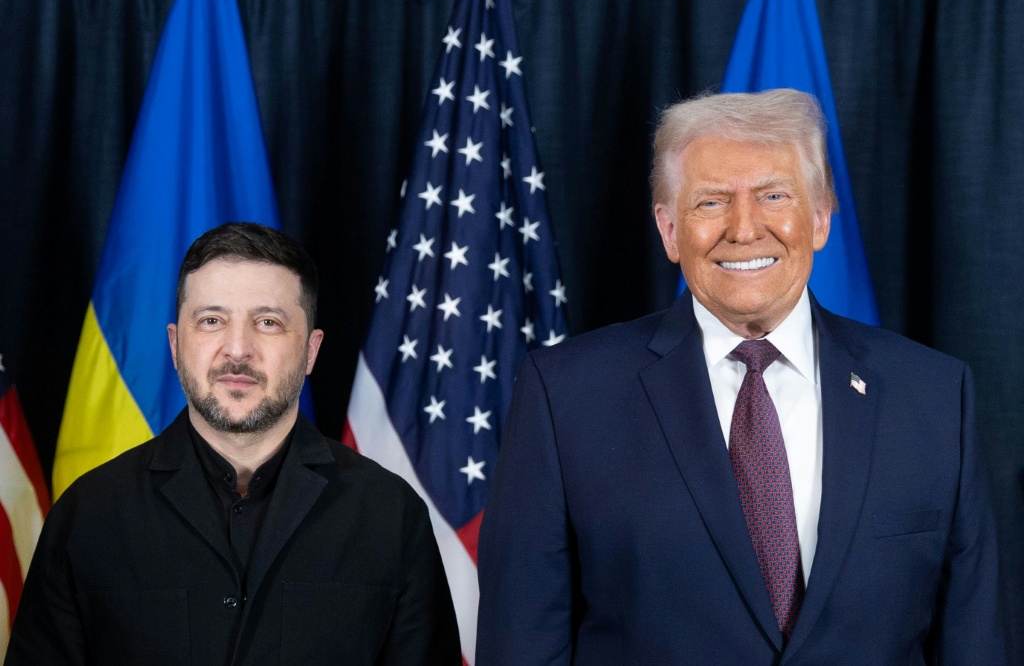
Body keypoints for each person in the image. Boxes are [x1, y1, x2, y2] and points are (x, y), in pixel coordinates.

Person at [476, 89, 1004, 664]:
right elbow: (521, 643)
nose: (745, 229)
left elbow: (974, 641)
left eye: (774, 195)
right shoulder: (566, 396)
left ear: (820, 218)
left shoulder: (934, 396)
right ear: (669, 229)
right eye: (712, 202)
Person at [7, 222, 461, 665]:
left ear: (311, 351)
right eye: (211, 321)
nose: (238, 349)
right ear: (175, 346)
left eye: (268, 322)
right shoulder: (88, 515)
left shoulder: (391, 516)